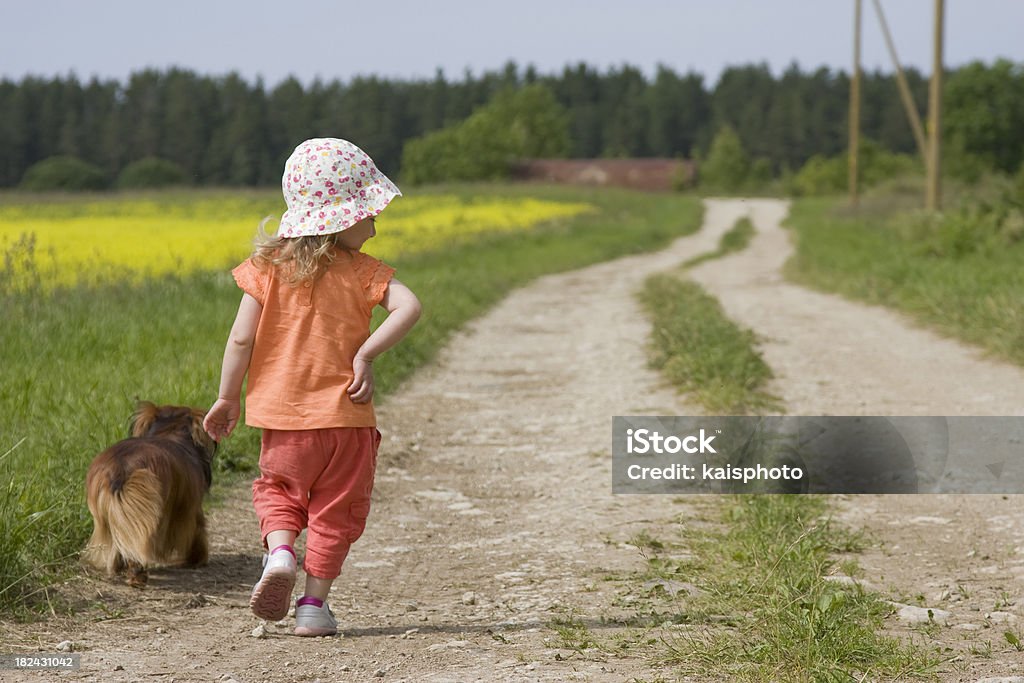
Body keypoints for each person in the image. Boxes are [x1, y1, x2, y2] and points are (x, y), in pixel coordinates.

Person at [203, 138, 421, 637]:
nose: (374, 224)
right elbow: (410, 307)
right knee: (334, 511)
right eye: (370, 213)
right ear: (344, 219)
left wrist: (227, 396)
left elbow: (241, 338)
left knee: (279, 491)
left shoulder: (267, 269)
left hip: (282, 421)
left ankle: (280, 552)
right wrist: (365, 353)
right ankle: (311, 608)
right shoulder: (366, 272)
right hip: (346, 420)